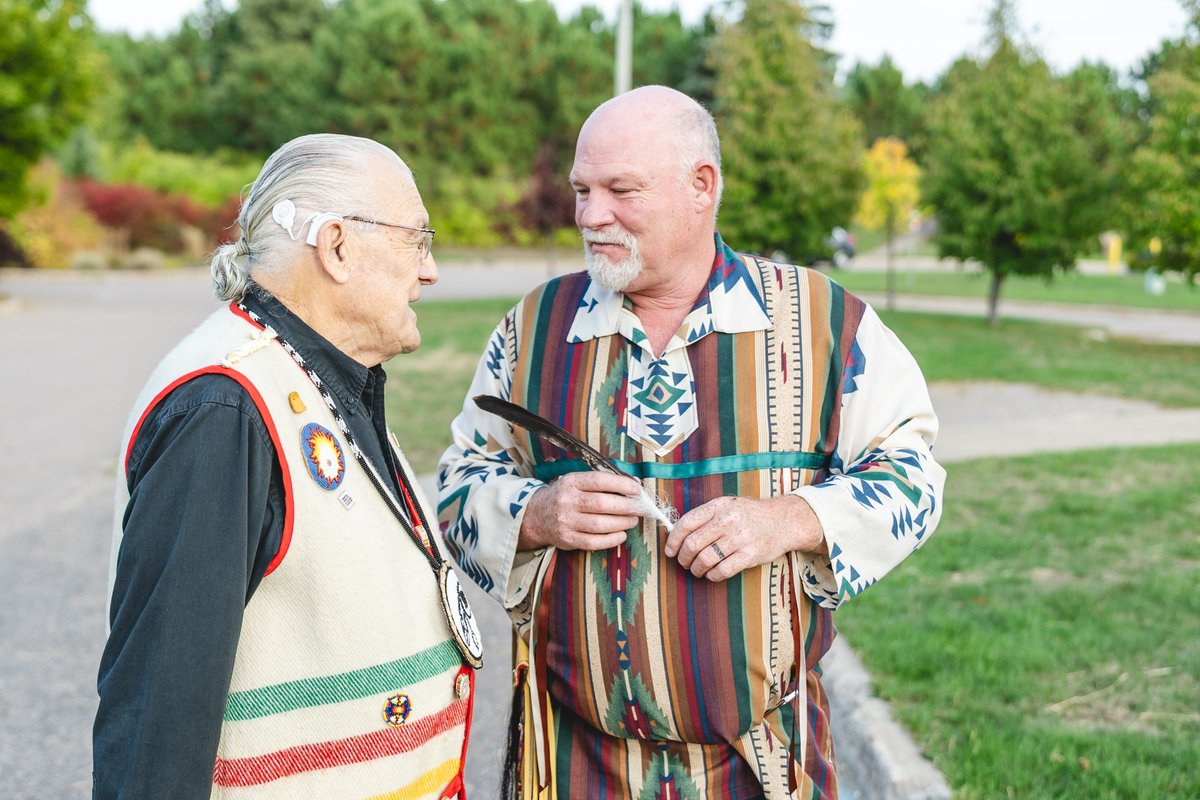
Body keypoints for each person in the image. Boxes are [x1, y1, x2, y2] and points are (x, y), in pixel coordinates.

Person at [438, 86, 945, 799]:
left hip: (767, 765)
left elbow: (915, 477)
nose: (590, 215)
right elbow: (458, 480)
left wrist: (788, 520)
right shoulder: (534, 330)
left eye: (621, 190)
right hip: (573, 766)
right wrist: (536, 513)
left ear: (701, 186)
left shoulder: (823, 322)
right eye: (583, 190)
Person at [94, 133, 482, 800]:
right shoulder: (224, 409)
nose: (431, 270)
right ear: (336, 246)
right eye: (418, 240)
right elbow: (158, 723)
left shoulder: (322, 378)